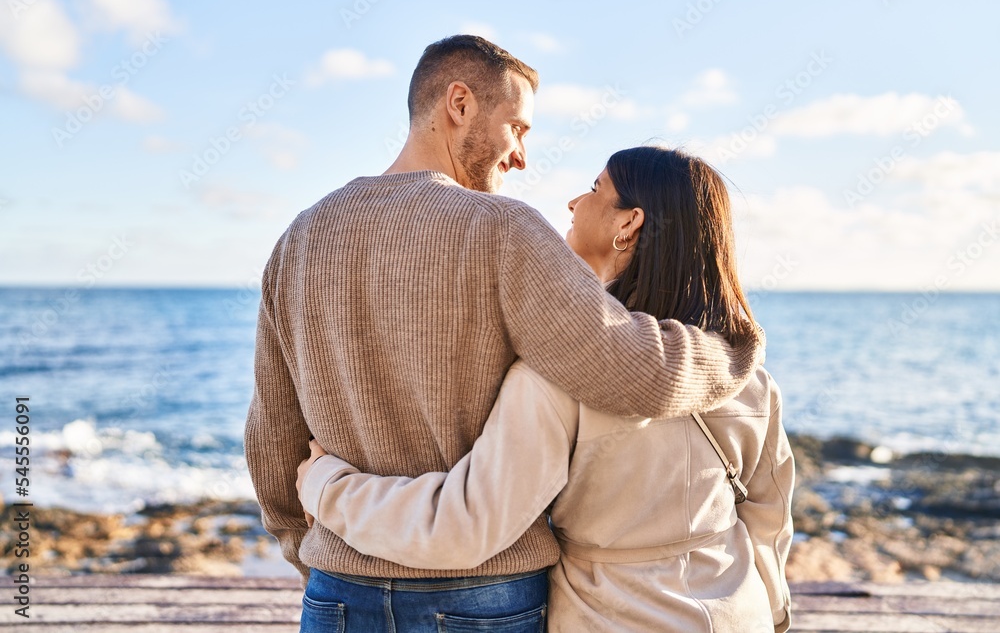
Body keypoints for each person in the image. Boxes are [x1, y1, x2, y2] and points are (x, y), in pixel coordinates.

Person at [244, 34, 763, 633]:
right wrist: (733, 348)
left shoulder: (301, 239)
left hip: (337, 589)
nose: (520, 157)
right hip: (481, 595)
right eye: (517, 128)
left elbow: (273, 434)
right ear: (458, 104)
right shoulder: (504, 229)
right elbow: (634, 373)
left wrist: (307, 551)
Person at [296, 147, 793, 632]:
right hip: (738, 614)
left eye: (596, 188)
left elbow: (467, 525)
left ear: (629, 223)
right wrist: (772, 616)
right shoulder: (745, 375)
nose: (575, 203)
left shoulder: (560, 377)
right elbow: (769, 525)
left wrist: (325, 485)